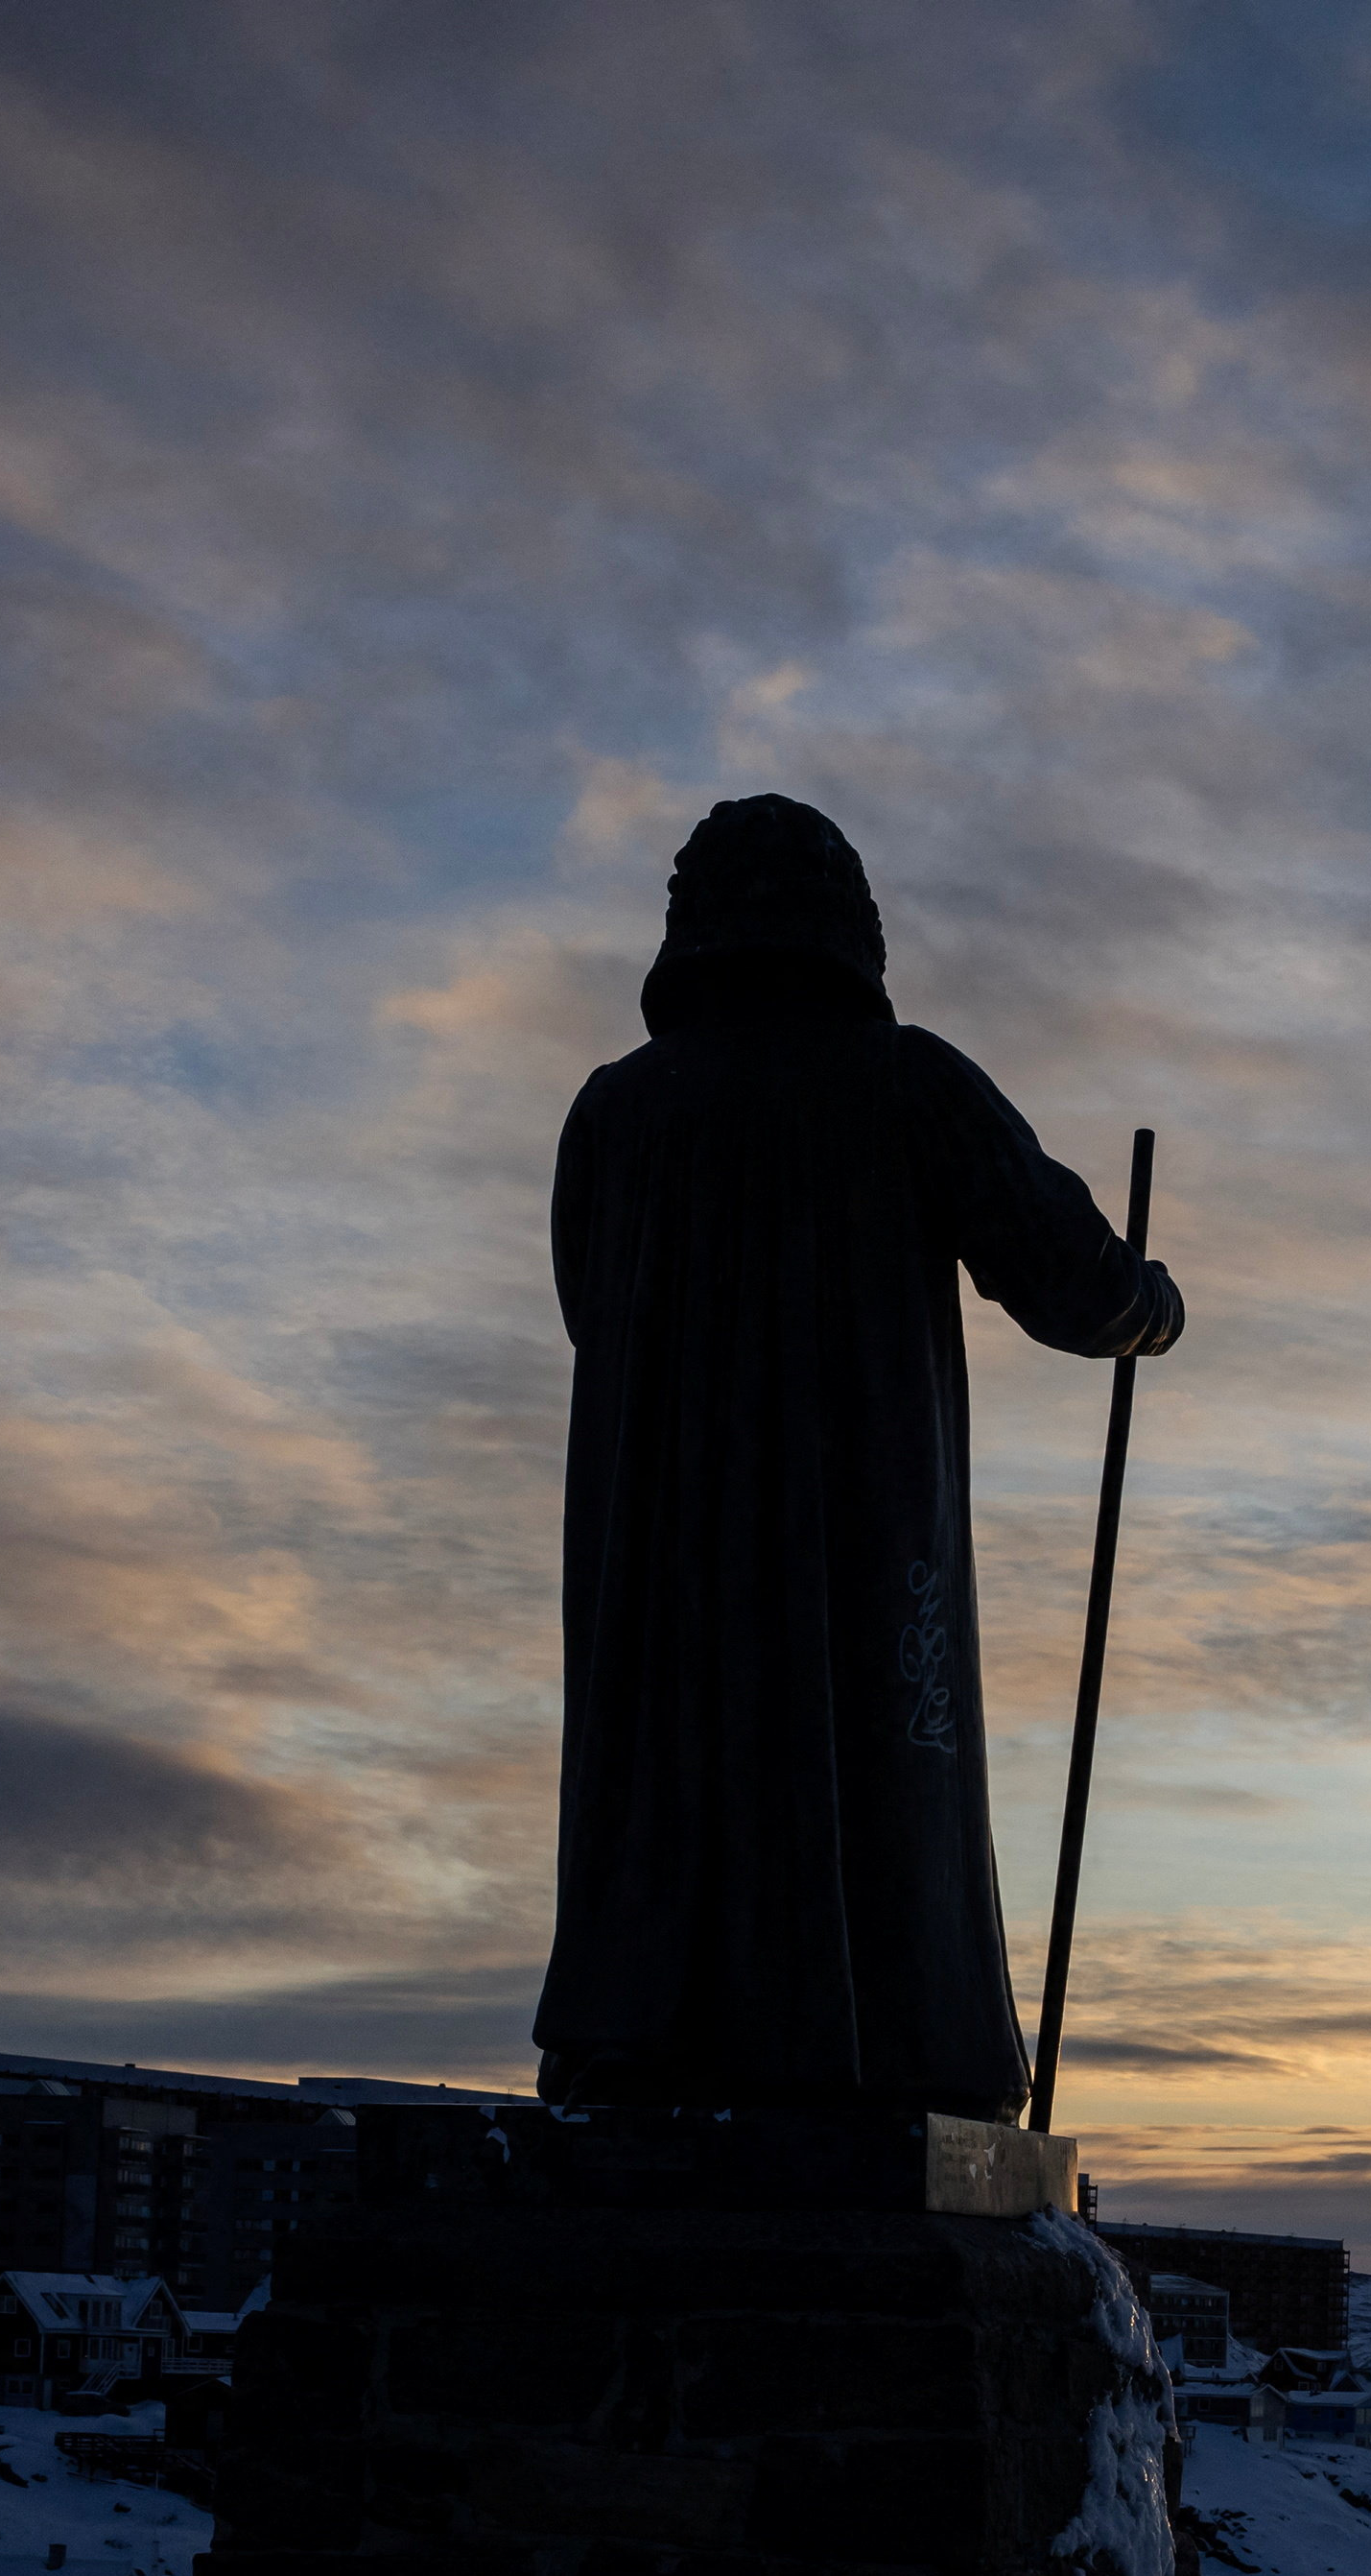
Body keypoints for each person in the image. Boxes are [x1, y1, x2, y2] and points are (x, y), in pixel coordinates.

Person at [530, 794, 1183, 2114]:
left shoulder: (617, 1113)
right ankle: (885, 2050)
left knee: (666, 1764)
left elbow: (586, 1306)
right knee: (882, 1756)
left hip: (659, 1552)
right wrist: (1150, 1305)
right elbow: (1067, 1275)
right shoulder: (904, 1083)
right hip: (859, 1528)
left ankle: (641, 2043)